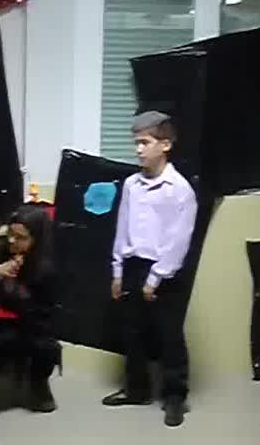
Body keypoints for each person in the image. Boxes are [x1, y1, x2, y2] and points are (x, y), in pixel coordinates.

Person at [101, 111, 197, 427]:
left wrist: (155, 278)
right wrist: (118, 270)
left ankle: (175, 397)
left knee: (169, 334)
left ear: (165, 145)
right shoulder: (132, 184)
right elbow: (123, 228)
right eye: (136, 143)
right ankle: (137, 389)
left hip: (164, 270)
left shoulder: (179, 189)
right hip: (132, 264)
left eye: (145, 142)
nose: (138, 150)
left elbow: (178, 239)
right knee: (132, 330)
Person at [0, 204, 59, 413]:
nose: (11, 241)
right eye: (10, 233)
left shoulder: (46, 265)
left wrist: (15, 289)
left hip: (29, 319)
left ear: (36, 239)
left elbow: (44, 307)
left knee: (46, 346)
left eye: (20, 237)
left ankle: (38, 384)